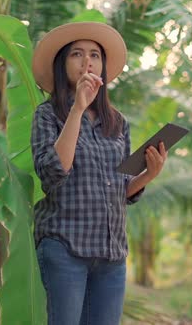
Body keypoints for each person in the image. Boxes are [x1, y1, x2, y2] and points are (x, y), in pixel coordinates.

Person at [30, 21, 167, 324]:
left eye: (95, 55)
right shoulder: (47, 114)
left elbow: (119, 187)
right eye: (76, 54)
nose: (87, 61)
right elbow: (53, 173)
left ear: (103, 66)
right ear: (61, 64)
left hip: (111, 253)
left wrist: (148, 174)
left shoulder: (117, 122)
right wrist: (77, 109)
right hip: (65, 246)